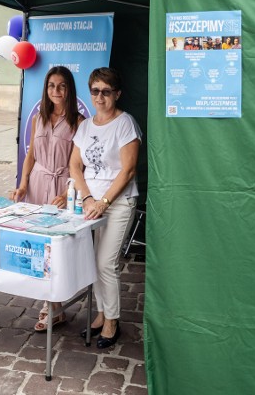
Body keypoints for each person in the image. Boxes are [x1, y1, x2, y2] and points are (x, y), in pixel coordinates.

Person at [69, 67, 141, 350]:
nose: (100, 97)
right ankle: (101, 313)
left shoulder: (125, 124)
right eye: (95, 91)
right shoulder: (85, 126)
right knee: (93, 261)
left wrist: (104, 202)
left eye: (106, 92)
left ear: (117, 94)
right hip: (90, 205)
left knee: (105, 263)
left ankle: (113, 322)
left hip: (117, 203)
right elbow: (75, 165)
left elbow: (129, 170)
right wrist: (87, 199)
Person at [12, 66, 82, 332]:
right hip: (37, 184)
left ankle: (52, 305)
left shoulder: (79, 122)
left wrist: (67, 193)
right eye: (51, 86)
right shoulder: (37, 118)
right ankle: (51, 306)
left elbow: (80, 164)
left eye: (62, 86)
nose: (56, 91)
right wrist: (22, 184)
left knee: (57, 247)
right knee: (37, 245)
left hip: (62, 187)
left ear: (69, 89)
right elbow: (30, 155)